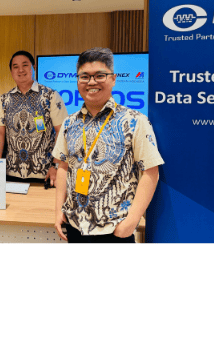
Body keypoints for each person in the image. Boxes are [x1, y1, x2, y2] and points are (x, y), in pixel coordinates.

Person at [52, 47, 164, 244]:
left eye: (99, 75)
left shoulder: (134, 121)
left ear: (113, 79)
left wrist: (132, 221)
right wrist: (58, 210)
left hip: (114, 230)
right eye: (84, 76)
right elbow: (63, 166)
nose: (91, 82)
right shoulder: (69, 123)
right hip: (75, 226)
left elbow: (151, 171)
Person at [0, 50, 68, 184]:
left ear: (34, 67)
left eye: (25, 65)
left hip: (45, 173)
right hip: (11, 172)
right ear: (11, 71)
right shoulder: (4, 100)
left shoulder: (50, 96)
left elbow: (62, 132)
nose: (20, 70)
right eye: (15, 67)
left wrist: (55, 165)